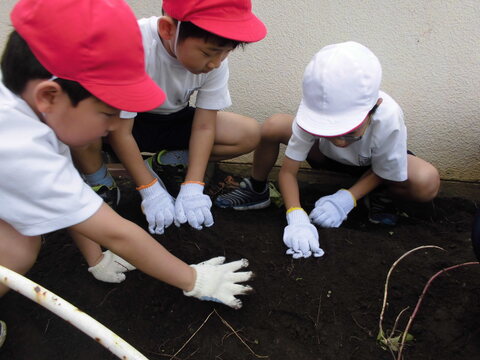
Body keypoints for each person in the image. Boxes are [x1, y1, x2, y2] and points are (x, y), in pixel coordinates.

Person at [0, 0, 254, 348]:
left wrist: (95, 256)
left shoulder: (33, 111)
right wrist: (194, 279)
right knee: (16, 250)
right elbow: (117, 233)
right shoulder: (18, 146)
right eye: (107, 114)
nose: (112, 127)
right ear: (50, 96)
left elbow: (69, 191)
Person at [216, 41, 440, 258]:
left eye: (350, 132)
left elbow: (384, 168)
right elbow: (288, 172)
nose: (341, 142)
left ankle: (380, 196)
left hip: (373, 168)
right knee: (274, 125)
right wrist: (295, 214)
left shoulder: (389, 115)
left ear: (374, 108)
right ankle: (257, 190)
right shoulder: (312, 112)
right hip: (325, 157)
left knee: (426, 181)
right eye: (331, 131)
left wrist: (346, 199)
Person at [69, 0, 267, 237]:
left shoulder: (216, 64)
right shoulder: (131, 44)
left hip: (172, 118)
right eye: (208, 53)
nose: (216, 63)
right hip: (121, 123)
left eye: (226, 52)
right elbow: (121, 131)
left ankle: (165, 162)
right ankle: (100, 182)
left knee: (249, 133)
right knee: (79, 125)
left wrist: (194, 185)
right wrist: (149, 189)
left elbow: (204, 126)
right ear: (167, 29)